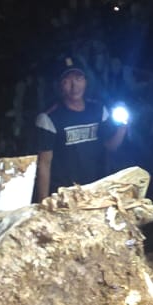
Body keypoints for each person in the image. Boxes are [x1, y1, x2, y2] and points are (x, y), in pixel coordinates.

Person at [33, 54, 130, 201]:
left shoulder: (98, 110)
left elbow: (110, 146)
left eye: (78, 79)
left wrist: (123, 126)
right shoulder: (49, 119)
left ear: (86, 81)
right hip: (63, 197)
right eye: (67, 81)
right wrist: (43, 204)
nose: (74, 86)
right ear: (59, 85)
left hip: (96, 192)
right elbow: (44, 164)